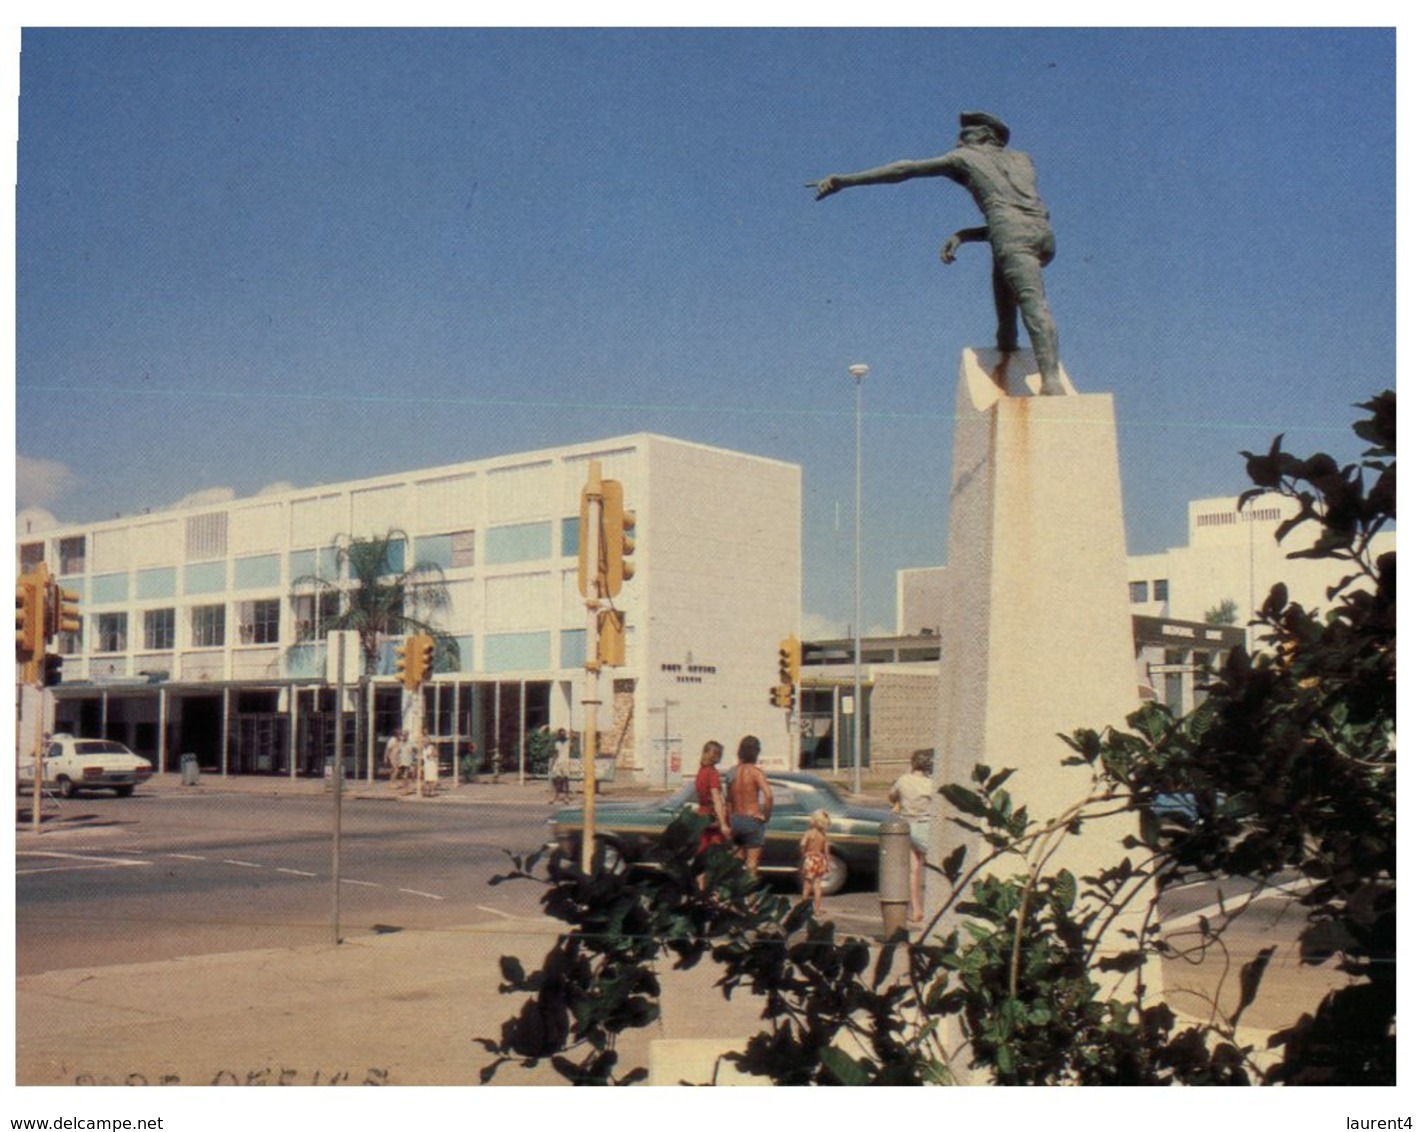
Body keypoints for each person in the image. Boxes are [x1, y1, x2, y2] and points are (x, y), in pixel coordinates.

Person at [809, 110, 1066, 396]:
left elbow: (903, 170)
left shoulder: (964, 158)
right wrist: (964, 235)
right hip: (1042, 233)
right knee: (1008, 286)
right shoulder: (1023, 160)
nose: (959, 140)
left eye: (966, 134)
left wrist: (844, 180)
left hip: (1010, 234)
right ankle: (1007, 340)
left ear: (985, 135)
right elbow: (1012, 216)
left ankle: (1051, 380)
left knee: (1033, 302)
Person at [888, 748, 936, 924]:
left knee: (913, 870)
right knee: (934, 868)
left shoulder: (902, 780)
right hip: (926, 825)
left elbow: (892, 797)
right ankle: (934, 905)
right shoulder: (930, 784)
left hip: (907, 825)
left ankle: (916, 909)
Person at [727, 735, 774, 876]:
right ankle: (751, 897)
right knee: (751, 866)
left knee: (736, 862)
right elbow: (769, 796)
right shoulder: (756, 773)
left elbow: (728, 799)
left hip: (735, 819)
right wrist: (766, 815)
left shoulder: (732, 772)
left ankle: (736, 896)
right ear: (756, 752)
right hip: (752, 819)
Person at [694, 740, 730, 856]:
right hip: (713, 817)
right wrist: (723, 823)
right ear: (714, 755)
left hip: (702, 815)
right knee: (715, 856)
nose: (721, 757)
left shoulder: (701, 771)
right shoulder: (712, 773)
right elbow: (716, 799)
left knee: (703, 852)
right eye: (720, 754)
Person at [799, 809, 832, 918]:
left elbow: (802, 844)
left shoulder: (809, 833)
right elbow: (826, 851)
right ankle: (817, 910)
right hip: (820, 859)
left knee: (807, 885)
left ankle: (802, 908)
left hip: (810, 858)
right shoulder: (824, 835)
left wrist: (803, 854)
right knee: (817, 886)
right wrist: (827, 863)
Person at [549, 730, 573, 804]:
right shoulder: (557, 743)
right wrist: (553, 763)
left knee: (566, 780)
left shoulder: (568, 742)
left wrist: (571, 735)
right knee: (558, 780)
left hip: (566, 762)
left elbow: (572, 748)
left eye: (563, 733)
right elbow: (556, 753)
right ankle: (556, 796)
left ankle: (566, 797)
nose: (562, 735)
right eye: (560, 734)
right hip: (558, 762)